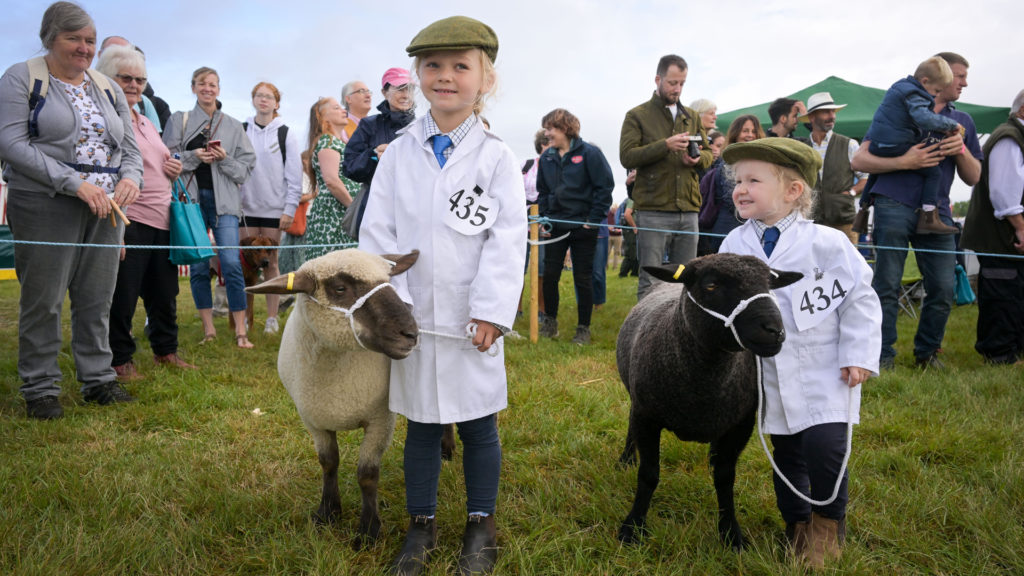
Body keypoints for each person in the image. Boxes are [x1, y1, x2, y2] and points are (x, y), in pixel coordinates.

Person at [358, 16, 526, 576]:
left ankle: (481, 524)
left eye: (461, 66)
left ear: (486, 78)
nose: (445, 76)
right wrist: (394, 305)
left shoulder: (496, 157)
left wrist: (491, 311)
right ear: (417, 75)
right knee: (422, 423)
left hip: (470, 319)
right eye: (433, 66)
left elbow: (506, 241)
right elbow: (377, 236)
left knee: (479, 422)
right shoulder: (398, 154)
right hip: (413, 320)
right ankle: (420, 526)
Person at [718, 138, 881, 568]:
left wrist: (859, 353)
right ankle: (796, 524)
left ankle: (828, 524)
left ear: (793, 192)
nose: (741, 188)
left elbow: (860, 298)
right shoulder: (733, 244)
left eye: (754, 180)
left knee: (826, 448)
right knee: (787, 452)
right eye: (738, 181)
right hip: (768, 372)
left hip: (827, 367)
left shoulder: (827, 243)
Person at [0, 1, 143, 419]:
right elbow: (11, 145)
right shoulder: (20, 78)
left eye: (90, 41)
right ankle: (41, 388)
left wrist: (130, 178)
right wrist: (73, 183)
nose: (84, 48)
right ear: (50, 38)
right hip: (46, 200)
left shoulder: (108, 87)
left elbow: (129, 146)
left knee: (97, 296)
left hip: (108, 206)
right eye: (74, 38)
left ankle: (98, 379)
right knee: (43, 300)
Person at [852, 52, 983, 371]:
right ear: (940, 78)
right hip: (892, 203)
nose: (964, 82)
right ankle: (882, 356)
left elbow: (975, 176)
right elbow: (859, 161)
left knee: (943, 287)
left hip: (937, 212)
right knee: (886, 284)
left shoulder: (962, 121)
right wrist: (903, 162)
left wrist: (961, 149)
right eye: (959, 76)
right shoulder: (899, 107)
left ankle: (927, 353)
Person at [96, 45, 195, 381]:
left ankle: (166, 351)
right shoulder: (105, 118)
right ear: (108, 77)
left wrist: (174, 165)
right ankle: (119, 360)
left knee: (165, 294)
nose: (135, 85)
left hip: (162, 218)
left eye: (140, 79)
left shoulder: (146, 119)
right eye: (127, 78)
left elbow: (157, 162)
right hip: (128, 218)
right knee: (123, 295)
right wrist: (116, 229)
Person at [163, 66, 257, 348]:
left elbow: (244, 170)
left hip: (224, 202)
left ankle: (241, 330)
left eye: (213, 84)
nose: (207, 88)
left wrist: (223, 158)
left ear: (219, 89)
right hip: (190, 202)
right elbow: (167, 159)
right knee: (199, 266)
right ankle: (208, 330)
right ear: (193, 87)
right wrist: (195, 156)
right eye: (202, 84)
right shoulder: (179, 120)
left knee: (230, 263)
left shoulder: (233, 125)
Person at [620, 54, 713, 301]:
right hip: (653, 209)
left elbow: (708, 156)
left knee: (687, 278)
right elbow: (627, 157)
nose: (677, 89)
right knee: (650, 279)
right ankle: (643, 335)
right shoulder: (636, 115)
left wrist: (696, 160)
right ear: (658, 79)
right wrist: (665, 145)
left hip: (688, 209)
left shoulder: (692, 116)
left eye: (682, 83)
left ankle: (680, 333)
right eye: (672, 83)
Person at [536, 108, 614, 345]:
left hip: (583, 227)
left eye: (550, 128)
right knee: (550, 275)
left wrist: (592, 220)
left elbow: (605, 187)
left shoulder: (590, 153)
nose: (546, 133)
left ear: (565, 128)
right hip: (556, 226)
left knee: (583, 277)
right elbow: (543, 191)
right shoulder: (547, 158)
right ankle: (550, 322)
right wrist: (546, 217)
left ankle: (583, 328)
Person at [959, 89, 1024, 365]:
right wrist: (1020, 228)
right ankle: (998, 354)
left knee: (1014, 293)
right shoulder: (1008, 138)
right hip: (1001, 235)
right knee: (1002, 294)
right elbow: (1004, 193)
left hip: (1006, 234)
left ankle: (1011, 350)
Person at [863, 57, 962, 234]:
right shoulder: (915, 94)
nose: (935, 95)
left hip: (879, 143)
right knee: (934, 172)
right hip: (893, 142)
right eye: (936, 90)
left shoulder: (900, 87)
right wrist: (950, 125)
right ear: (924, 81)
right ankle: (929, 216)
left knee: (876, 170)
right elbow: (923, 118)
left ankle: (863, 209)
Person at [238, 81, 302, 334]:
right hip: (246, 209)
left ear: (277, 103)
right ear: (253, 100)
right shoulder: (242, 129)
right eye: (259, 96)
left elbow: (294, 176)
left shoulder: (285, 132)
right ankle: (244, 318)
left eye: (269, 97)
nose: (263, 100)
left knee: (270, 263)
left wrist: (289, 208)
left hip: (275, 209)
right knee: (246, 264)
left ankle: (272, 319)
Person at [342, 67, 416, 239]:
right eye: (399, 88)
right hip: (376, 209)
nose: (406, 95)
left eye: (410, 89)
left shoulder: (422, 125)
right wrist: (373, 155)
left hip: (414, 209)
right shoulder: (370, 125)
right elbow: (350, 167)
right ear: (385, 92)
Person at [801, 92, 867, 244]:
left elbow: (865, 177)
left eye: (833, 111)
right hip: (811, 222)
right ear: (812, 117)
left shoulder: (849, 144)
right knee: (814, 266)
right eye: (826, 112)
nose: (832, 116)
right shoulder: (803, 148)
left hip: (843, 221)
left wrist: (851, 192)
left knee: (847, 266)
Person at [302, 97, 360, 262]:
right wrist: (353, 208)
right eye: (336, 108)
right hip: (334, 216)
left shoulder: (337, 141)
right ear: (323, 117)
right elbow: (331, 181)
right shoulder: (328, 141)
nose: (343, 110)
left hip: (340, 213)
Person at [698, 114, 765, 255]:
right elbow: (732, 198)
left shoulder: (763, 162)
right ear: (736, 133)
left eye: (753, 131)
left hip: (754, 225)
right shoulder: (728, 162)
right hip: (730, 226)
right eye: (745, 131)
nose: (750, 135)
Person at [99, 35, 170, 131]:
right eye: (126, 78)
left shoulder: (146, 103)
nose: (133, 85)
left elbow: (156, 142)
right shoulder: (88, 94)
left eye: (139, 80)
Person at [618, 174, 639, 277]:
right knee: (630, 253)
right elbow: (627, 214)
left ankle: (635, 273)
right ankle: (623, 273)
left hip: (633, 229)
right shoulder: (632, 199)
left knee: (635, 252)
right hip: (630, 230)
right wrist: (634, 227)